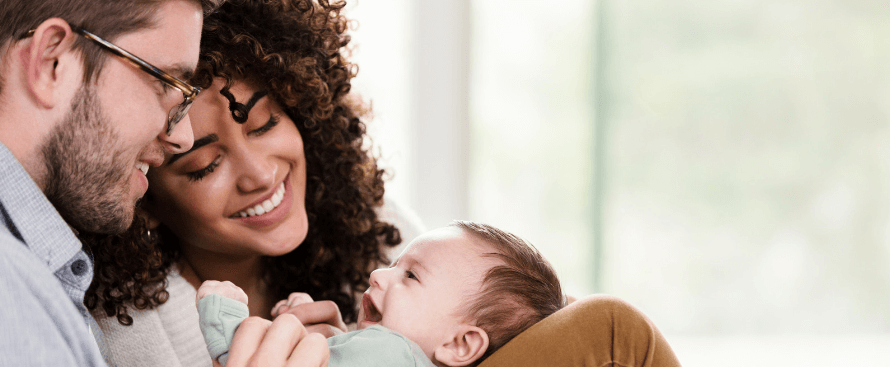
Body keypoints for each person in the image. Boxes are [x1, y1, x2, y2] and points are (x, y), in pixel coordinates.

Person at [0, 1, 332, 366]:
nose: (182, 136)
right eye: (164, 83)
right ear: (53, 63)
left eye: (266, 123)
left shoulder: (45, 271)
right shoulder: (12, 296)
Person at [81, 0, 413, 365]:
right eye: (205, 165)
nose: (260, 175)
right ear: (145, 200)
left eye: (265, 124)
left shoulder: (390, 241)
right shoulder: (117, 339)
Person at [197, 221, 564, 367]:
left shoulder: (390, 352)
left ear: (461, 344)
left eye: (411, 276)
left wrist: (224, 314)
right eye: (392, 263)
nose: (376, 274)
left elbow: (247, 358)